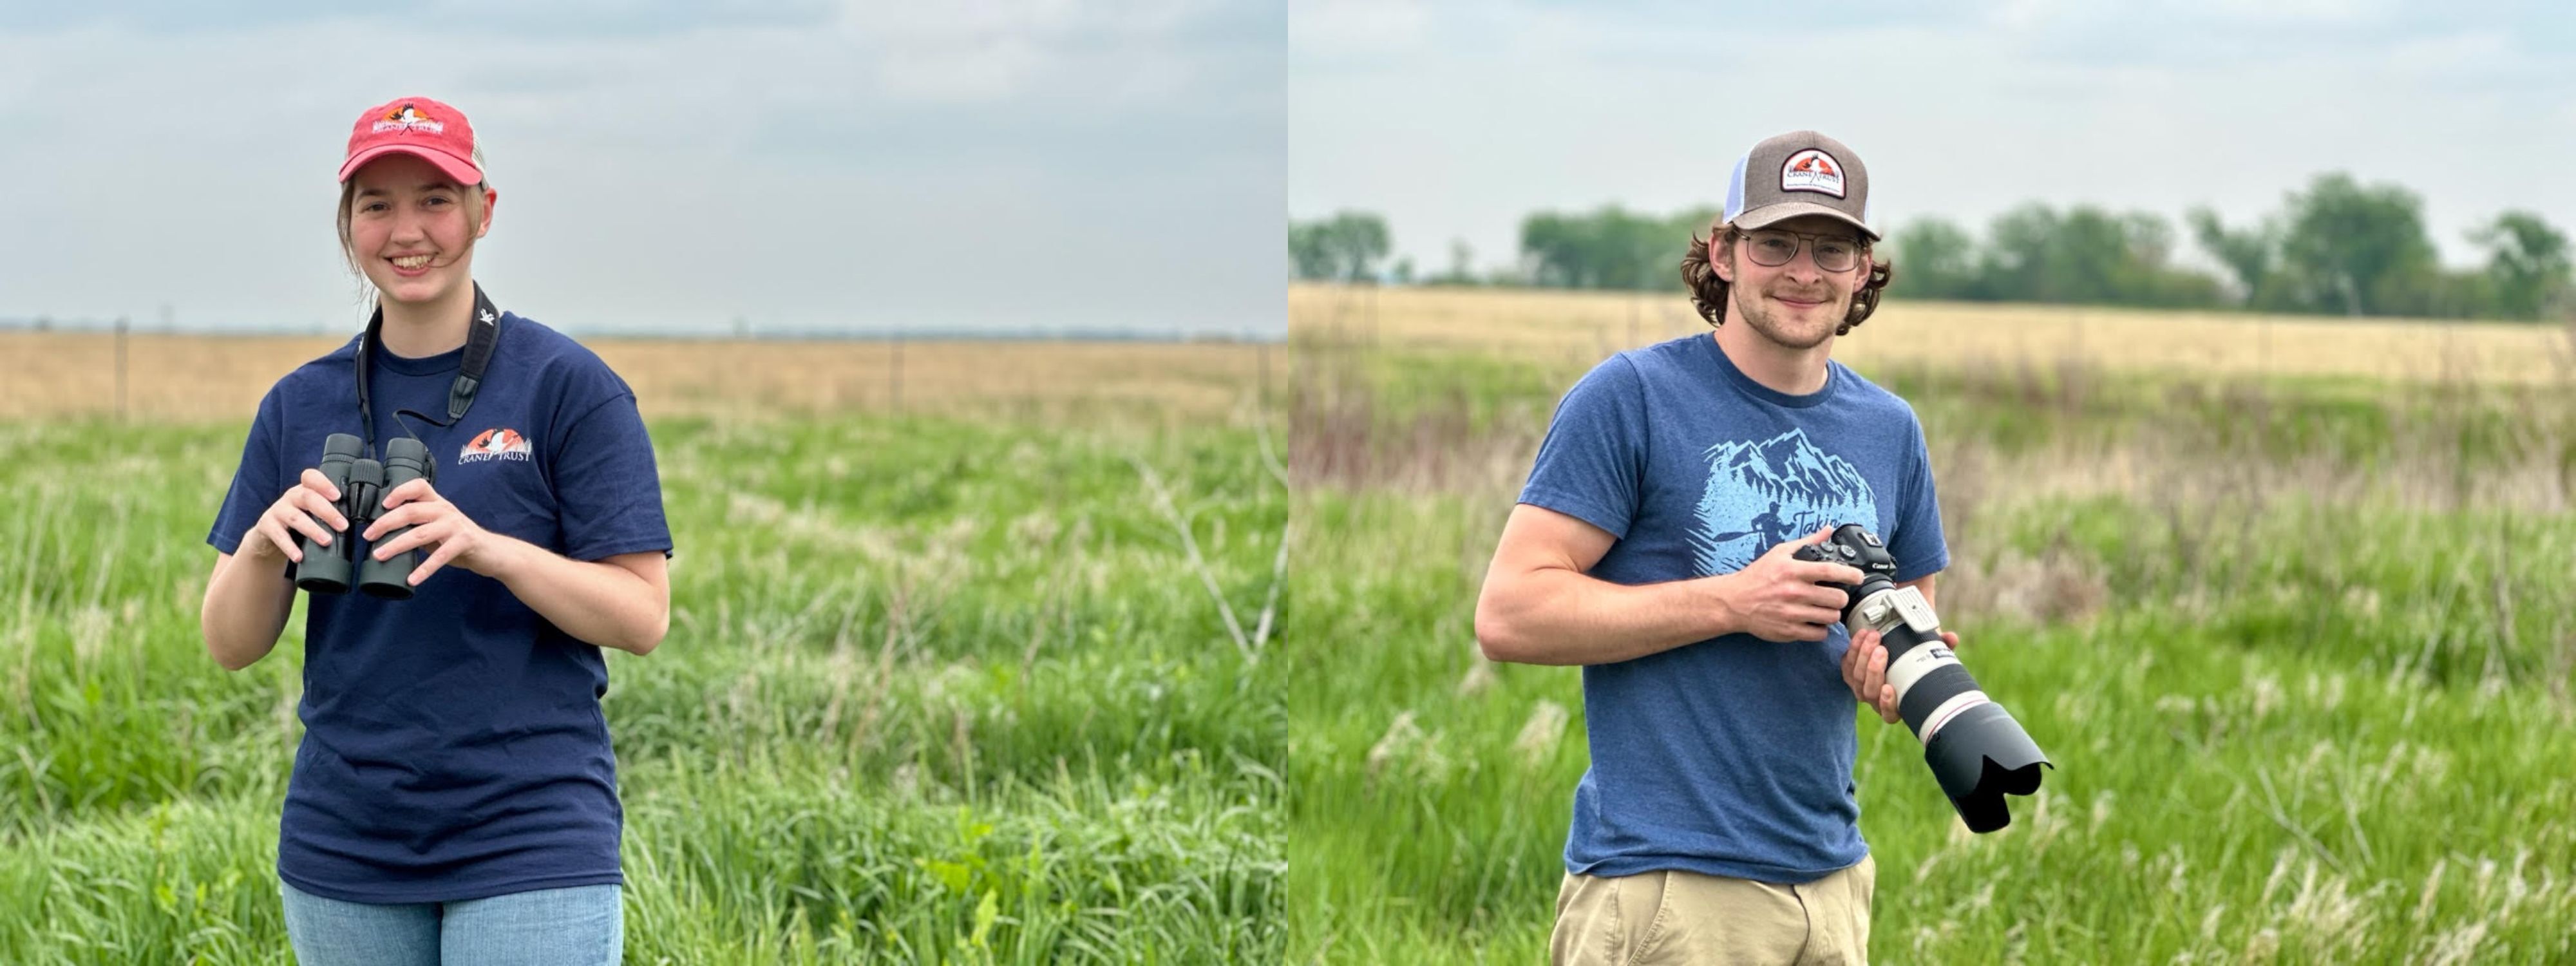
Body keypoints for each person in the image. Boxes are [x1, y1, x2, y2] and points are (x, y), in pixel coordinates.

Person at [198, 95, 672, 965]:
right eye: (376, 204)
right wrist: (266, 543)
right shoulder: (301, 403)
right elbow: (231, 646)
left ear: (484, 212)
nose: (406, 230)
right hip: (345, 840)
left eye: (435, 199)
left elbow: (642, 616)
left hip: (532, 834)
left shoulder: (568, 387)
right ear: (347, 226)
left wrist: (488, 549)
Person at [1473, 131, 1953, 965]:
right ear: (1725, 253)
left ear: (1863, 271)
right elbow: (1510, 614)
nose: (1805, 271)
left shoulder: (1891, 429)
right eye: (1776, 242)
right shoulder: (1632, 397)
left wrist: (1884, 668)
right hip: (1667, 889)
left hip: (1832, 888)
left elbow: (1913, 610)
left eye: (1833, 248)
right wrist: (1733, 602)